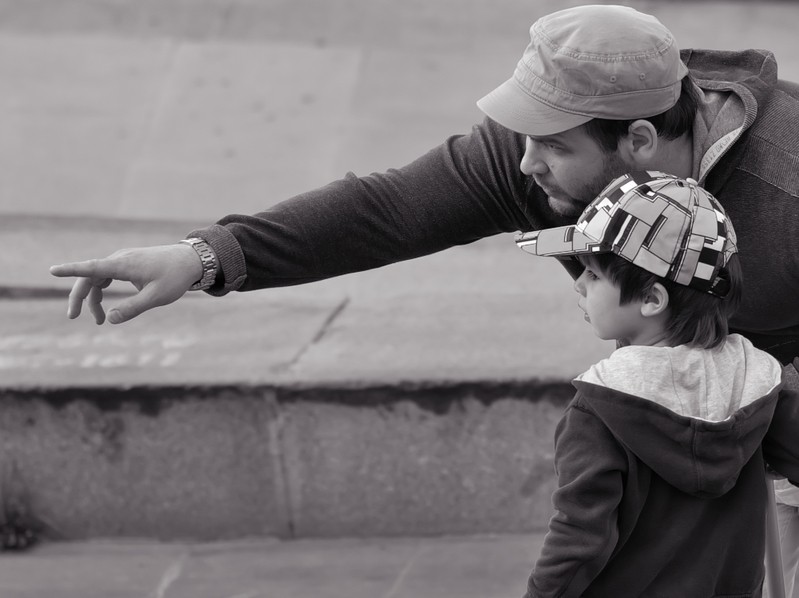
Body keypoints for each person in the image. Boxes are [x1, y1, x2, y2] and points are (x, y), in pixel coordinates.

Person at [514, 170, 799, 597]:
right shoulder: (756, 384)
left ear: (651, 299)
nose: (577, 283)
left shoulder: (601, 409)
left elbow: (579, 536)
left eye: (593, 274)